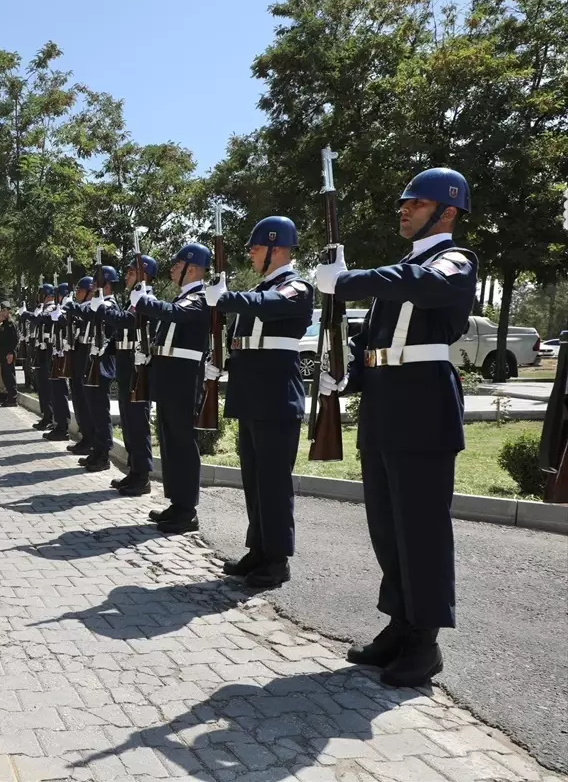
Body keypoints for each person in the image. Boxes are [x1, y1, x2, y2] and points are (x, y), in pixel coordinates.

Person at [314, 168, 476, 687]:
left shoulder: (453, 261)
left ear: (447, 212)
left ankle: (424, 643)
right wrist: (347, 377)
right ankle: (400, 625)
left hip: (423, 406)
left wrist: (348, 279)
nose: (404, 209)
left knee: (421, 530)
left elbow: (424, 289)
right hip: (386, 406)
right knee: (386, 525)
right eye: (403, 202)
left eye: (417, 203)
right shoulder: (404, 267)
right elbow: (377, 342)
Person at [205, 216, 314, 588]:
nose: (250, 252)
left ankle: (278, 558)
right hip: (252, 395)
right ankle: (259, 549)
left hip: (275, 396)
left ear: (277, 248)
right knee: (253, 480)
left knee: (273, 483)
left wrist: (227, 297)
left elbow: (267, 306)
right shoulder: (263, 287)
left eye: (256, 247)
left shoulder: (295, 286)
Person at [134, 244, 212, 534]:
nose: (172, 269)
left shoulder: (199, 298)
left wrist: (144, 301)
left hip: (184, 379)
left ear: (191, 268)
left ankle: (187, 509)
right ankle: (177, 503)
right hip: (169, 378)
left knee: (182, 444)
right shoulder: (183, 297)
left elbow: (175, 314)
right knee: (169, 442)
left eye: (177, 265)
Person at [104, 255, 158, 497]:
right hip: (126, 366)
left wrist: (105, 312)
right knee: (128, 421)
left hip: (138, 369)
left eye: (131, 273)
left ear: (144, 275)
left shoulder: (148, 300)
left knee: (137, 422)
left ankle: (143, 476)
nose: (126, 277)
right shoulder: (134, 301)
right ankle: (135, 471)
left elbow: (128, 322)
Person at [82, 266, 120, 474]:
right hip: (93, 360)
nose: (93, 286)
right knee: (93, 409)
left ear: (106, 284)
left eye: (97, 283)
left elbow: (111, 332)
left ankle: (104, 454)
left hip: (103, 364)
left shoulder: (110, 305)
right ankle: (97, 450)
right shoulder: (99, 304)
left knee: (100, 410)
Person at [63, 277, 96, 457]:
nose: (76, 294)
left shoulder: (92, 307)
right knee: (77, 397)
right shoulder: (81, 308)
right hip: (77, 353)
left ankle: (91, 439)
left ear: (89, 292)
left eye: (79, 291)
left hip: (87, 354)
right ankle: (86, 437)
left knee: (85, 399)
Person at [43, 283, 73, 442]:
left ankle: (63, 427)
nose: (55, 299)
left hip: (64, 354)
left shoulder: (69, 308)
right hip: (57, 351)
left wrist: (60, 317)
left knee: (60, 392)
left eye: (57, 296)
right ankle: (59, 425)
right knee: (55, 392)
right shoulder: (60, 308)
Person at [31, 284, 56, 431]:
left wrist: (36, 313)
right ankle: (45, 415)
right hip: (40, 349)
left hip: (49, 349)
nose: (39, 298)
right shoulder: (41, 308)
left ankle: (50, 416)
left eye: (42, 295)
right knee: (41, 385)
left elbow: (39, 320)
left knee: (48, 386)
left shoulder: (52, 308)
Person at [0, 302, 19, 407]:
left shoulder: (11, 323)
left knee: (10, 376)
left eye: (4, 310)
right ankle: (9, 397)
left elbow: (15, 339)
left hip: (8, 354)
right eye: (2, 310)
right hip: (3, 353)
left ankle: (13, 399)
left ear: (8, 311)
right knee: (5, 376)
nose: (3, 312)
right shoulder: (4, 324)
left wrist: (11, 353)